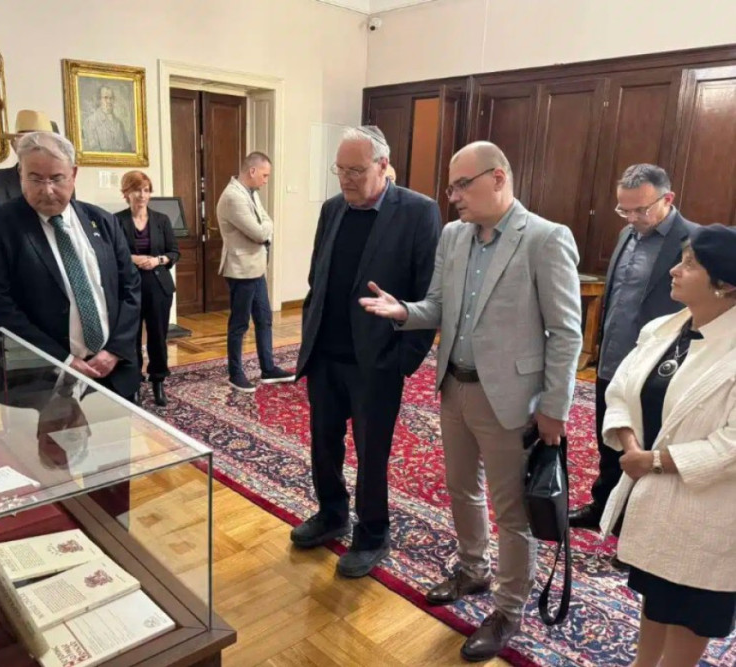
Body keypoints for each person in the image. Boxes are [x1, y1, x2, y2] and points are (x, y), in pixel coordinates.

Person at [360, 141, 581, 661]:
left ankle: (509, 610)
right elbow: (439, 305)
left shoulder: (545, 238)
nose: (452, 195)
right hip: (454, 387)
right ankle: (473, 569)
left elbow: (566, 333)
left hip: (511, 399)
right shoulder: (454, 236)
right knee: (462, 490)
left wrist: (554, 407)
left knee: (512, 511)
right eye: (451, 185)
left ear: (498, 178)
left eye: (463, 184)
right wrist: (404, 311)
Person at [290, 126, 441, 578]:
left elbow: (429, 292)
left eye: (356, 170)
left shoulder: (418, 212)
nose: (346, 179)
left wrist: (404, 359)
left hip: (377, 360)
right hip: (326, 353)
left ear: (383, 165)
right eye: (340, 169)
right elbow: (318, 277)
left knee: (371, 453)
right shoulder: (332, 209)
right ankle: (331, 513)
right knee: (324, 444)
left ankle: (373, 533)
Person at [599, 224, 736, 667]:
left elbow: (731, 445)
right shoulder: (663, 328)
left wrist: (654, 461)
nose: (674, 270)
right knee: (656, 597)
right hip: (657, 502)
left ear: (725, 284)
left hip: (711, 513)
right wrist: (631, 445)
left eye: (690, 264)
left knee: (689, 611)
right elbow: (622, 390)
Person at [570, 164, 697, 530]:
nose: (631, 218)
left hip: (658, 365)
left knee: (644, 443)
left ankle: (636, 522)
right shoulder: (627, 234)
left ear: (668, 199)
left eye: (640, 209)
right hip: (613, 357)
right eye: (623, 209)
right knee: (609, 436)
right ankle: (603, 506)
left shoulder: (692, 241)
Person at [0, 131, 141, 402]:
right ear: (21, 174)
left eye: (56, 178)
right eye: (35, 179)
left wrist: (114, 351)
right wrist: (63, 360)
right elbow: (1, 306)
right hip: (41, 378)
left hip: (112, 370)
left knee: (115, 431)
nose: (47, 189)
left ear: (73, 174)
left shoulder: (103, 221)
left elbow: (130, 287)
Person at [0, 110, 56, 327]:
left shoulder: (61, 184)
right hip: (8, 299)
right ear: (15, 144)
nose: (35, 147)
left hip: (53, 298)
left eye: (40, 140)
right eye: (27, 140)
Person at [216, 151, 293, 391]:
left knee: (264, 318)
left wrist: (266, 225)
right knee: (239, 323)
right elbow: (260, 232)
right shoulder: (233, 197)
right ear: (252, 171)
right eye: (265, 175)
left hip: (256, 267)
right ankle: (235, 373)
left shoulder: (250, 192)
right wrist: (267, 227)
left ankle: (268, 369)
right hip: (240, 269)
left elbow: (265, 221)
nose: (266, 180)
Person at [114, 170, 179, 407]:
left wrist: (158, 260)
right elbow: (110, 253)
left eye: (146, 190)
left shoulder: (162, 220)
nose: (142, 195)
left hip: (158, 285)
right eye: (136, 190)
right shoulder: (115, 220)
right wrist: (133, 259)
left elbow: (174, 252)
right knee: (130, 338)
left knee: (157, 336)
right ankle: (133, 383)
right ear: (126, 193)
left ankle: (158, 381)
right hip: (129, 287)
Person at [82, 85, 132, 153]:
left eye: (111, 98)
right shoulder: (90, 122)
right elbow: (93, 151)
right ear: (99, 100)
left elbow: (127, 149)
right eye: (105, 98)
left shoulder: (119, 124)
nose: (109, 101)